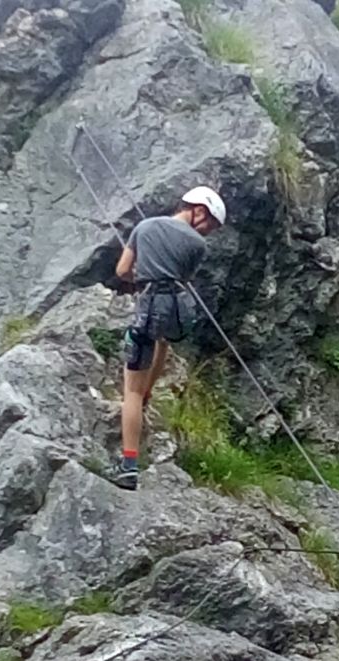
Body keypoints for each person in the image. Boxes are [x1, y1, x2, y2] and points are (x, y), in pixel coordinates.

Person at [106, 186, 227, 491]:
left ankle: (128, 466)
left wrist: (141, 274)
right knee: (164, 341)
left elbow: (122, 270)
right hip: (174, 311)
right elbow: (181, 277)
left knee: (130, 392)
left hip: (147, 306)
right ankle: (148, 393)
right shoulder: (198, 246)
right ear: (198, 210)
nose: (208, 230)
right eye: (210, 223)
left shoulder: (145, 227)